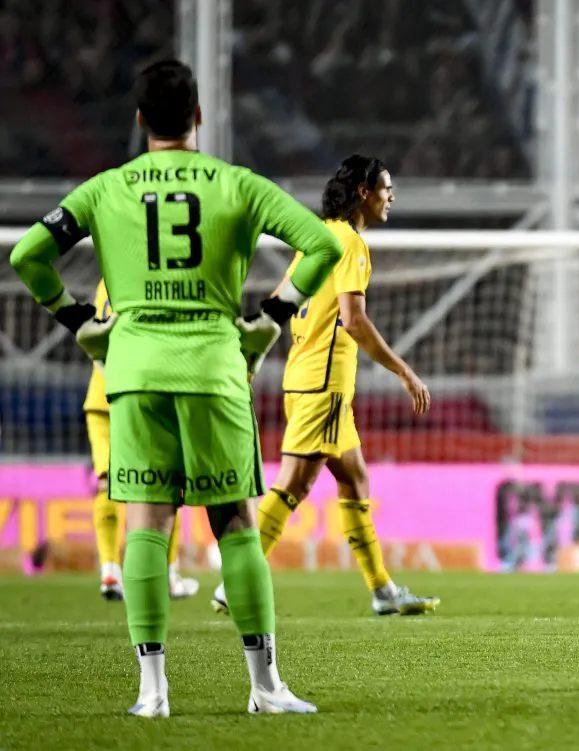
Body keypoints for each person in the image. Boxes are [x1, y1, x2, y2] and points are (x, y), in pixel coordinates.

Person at [10, 59, 344, 716]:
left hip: (132, 372)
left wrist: (81, 320)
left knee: (145, 528)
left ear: (139, 123)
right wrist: (270, 320)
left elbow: (28, 256)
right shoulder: (236, 183)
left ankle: (153, 694)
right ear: (198, 117)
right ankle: (266, 687)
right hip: (214, 367)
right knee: (236, 528)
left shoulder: (107, 188)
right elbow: (321, 245)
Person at [211, 155, 438, 617]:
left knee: (354, 479)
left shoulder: (313, 240)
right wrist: (404, 370)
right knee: (294, 483)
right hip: (325, 383)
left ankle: (383, 591)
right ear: (363, 192)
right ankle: (232, 583)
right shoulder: (350, 242)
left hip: (303, 377)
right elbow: (354, 321)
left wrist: (252, 354)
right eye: (385, 188)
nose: (391, 197)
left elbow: (278, 301)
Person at [84, 279, 201, 603]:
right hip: (140, 395)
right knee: (167, 485)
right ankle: (169, 576)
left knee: (107, 482)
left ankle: (110, 570)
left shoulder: (106, 282)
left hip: (100, 398)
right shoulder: (149, 277)